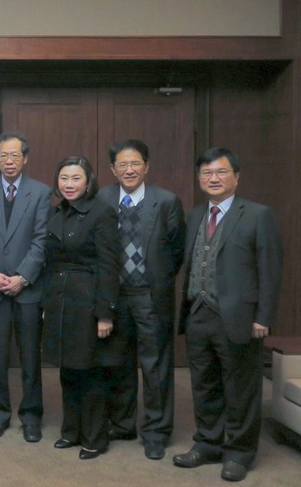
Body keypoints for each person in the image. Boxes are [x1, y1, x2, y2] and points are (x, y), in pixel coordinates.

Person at [172, 148, 283, 482]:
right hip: (198, 314)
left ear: (237, 176)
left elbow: (270, 270)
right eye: (206, 173)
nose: (213, 179)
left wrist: (263, 317)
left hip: (239, 317)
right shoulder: (194, 216)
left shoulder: (257, 215)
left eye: (220, 172)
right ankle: (207, 444)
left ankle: (239, 452)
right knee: (204, 386)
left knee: (241, 389)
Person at [98, 139, 185, 460]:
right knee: (117, 361)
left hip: (150, 294)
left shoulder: (166, 201)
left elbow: (176, 250)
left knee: (155, 365)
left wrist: (154, 280)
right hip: (114, 295)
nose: (129, 170)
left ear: (146, 166)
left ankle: (156, 431)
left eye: (135, 164)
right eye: (122, 164)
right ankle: (121, 424)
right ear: (113, 169)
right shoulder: (103, 198)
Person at [0, 133, 51, 442]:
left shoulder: (41, 192)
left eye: (15, 156)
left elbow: (42, 239)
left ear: (25, 159)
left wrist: (23, 276)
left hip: (28, 288)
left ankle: (31, 416)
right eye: (4, 156)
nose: (9, 161)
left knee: (30, 357)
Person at [42, 156, 121, 460]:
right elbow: (50, 263)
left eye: (76, 178)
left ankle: (94, 438)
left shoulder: (102, 213)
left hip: (88, 302)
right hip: (61, 301)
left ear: (88, 181)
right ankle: (70, 432)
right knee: (68, 372)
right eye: (64, 178)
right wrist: (48, 303)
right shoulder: (56, 212)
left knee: (91, 374)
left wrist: (105, 313)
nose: (69, 184)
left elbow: (109, 266)